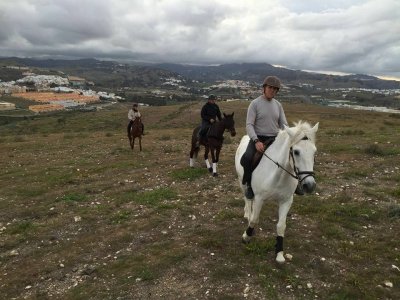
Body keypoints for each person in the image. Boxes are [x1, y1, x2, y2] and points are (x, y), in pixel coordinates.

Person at [240, 76, 292, 199]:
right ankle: (249, 184)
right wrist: (256, 140)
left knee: (291, 157)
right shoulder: (255, 104)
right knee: (247, 158)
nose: (272, 90)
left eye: (275, 89)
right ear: (264, 88)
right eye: (270, 87)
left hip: (275, 138)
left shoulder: (278, 105)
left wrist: (290, 135)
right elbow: (249, 125)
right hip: (258, 138)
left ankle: (294, 185)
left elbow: (284, 124)